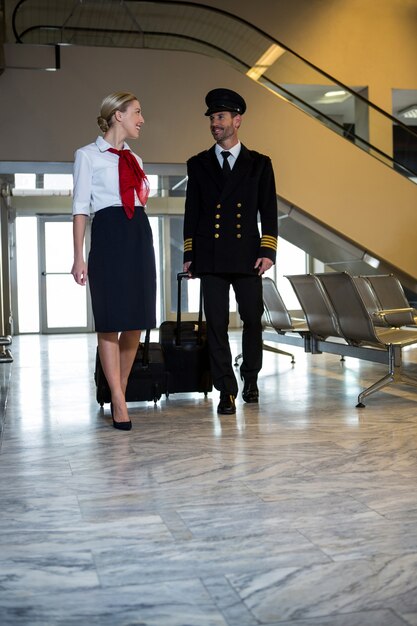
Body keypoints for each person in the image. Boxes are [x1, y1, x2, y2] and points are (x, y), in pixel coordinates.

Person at [183, 88, 278, 415]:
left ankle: (250, 377)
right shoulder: (198, 164)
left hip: (248, 255)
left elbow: (269, 210)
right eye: (211, 118)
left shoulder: (260, 164)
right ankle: (226, 389)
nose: (214, 123)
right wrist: (190, 254)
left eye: (220, 117)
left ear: (237, 120)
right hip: (210, 257)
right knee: (218, 324)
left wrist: (269, 250)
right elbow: (191, 211)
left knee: (253, 320)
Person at [71, 91, 156, 431]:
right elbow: (80, 208)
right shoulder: (87, 156)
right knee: (109, 320)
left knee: (135, 319)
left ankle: (116, 390)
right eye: (137, 111)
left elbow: (139, 201)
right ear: (117, 114)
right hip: (107, 235)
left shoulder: (135, 158)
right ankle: (119, 402)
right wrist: (78, 257)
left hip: (138, 233)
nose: (142, 119)